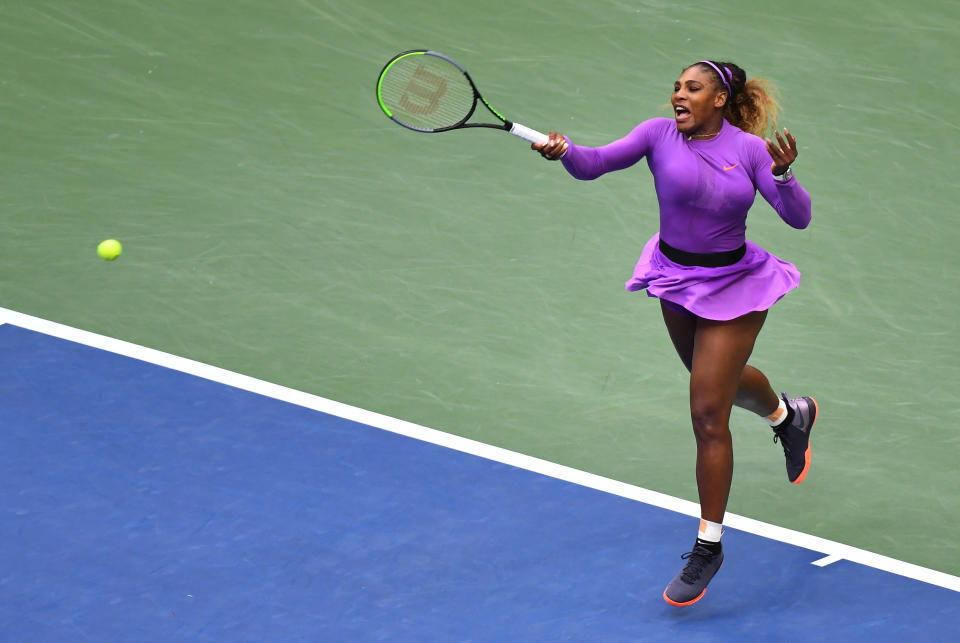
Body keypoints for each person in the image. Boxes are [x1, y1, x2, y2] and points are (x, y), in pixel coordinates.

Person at [533, 60, 818, 606]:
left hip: (735, 285)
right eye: (676, 87)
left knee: (707, 410)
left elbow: (797, 218)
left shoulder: (751, 151)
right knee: (715, 381)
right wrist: (565, 151)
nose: (678, 96)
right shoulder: (657, 134)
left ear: (719, 99)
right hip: (674, 278)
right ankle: (789, 415)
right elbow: (593, 165)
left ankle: (708, 544)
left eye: (692, 88)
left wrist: (784, 177)